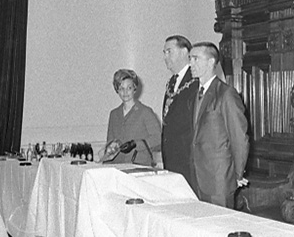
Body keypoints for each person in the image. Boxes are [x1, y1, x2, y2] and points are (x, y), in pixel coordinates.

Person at [189, 42, 249, 208]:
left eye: (195, 59)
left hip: (219, 179)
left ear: (210, 62)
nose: (190, 64)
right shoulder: (196, 93)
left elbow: (239, 137)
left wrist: (237, 174)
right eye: (190, 59)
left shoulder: (226, 94)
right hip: (198, 176)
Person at [161, 35, 199, 189]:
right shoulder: (171, 82)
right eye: (164, 52)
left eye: (169, 51)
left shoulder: (196, 81)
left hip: (189, 160)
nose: (165, 57)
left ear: (184, 52)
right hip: (171, 158)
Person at [104, 69, 161, 164]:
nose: (125, 92)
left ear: (135, 88)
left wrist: (135, 144)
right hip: (117, 168)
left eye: (129, 88)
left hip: (139, 167)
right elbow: (109, 141)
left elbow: (158, 139)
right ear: (117, 89)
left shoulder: (145, 112)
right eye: (121, 88)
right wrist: (110, 147)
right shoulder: (114, 114)